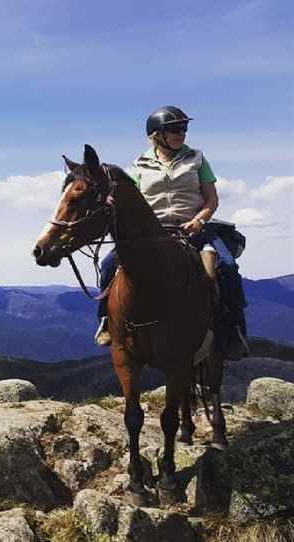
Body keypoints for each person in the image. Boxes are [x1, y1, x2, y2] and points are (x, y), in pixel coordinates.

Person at [94, 106, 249, 360]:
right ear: (156, 135)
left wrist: (199, 220)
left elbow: (211, 199)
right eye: (175, 129)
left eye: (184, 128)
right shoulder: (139, 165)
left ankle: (232, 328)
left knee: (228, 267)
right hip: (153, 232)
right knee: (109, 263)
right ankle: (106, 320)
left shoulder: (197, 159)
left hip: (194, 228)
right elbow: (130, 199)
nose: (182, 133)